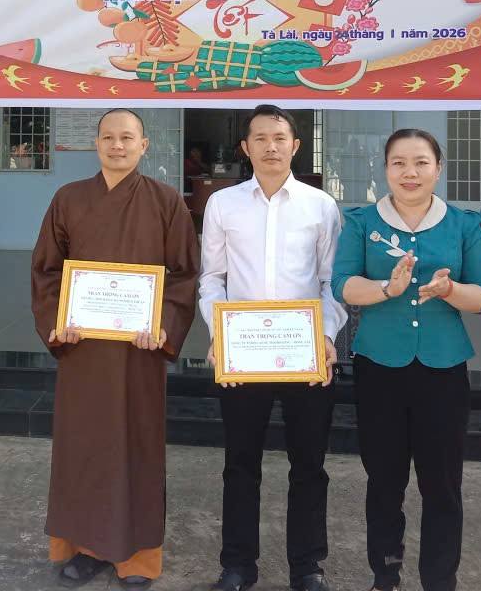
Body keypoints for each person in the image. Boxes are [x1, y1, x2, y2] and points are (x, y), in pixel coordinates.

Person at [31, 109, 200, 589]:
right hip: (84, 348)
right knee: (85, 445)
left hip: (138, 349)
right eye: (108, 137)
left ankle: (139, 556)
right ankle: (86, 548)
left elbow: (184, 273)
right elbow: (46, 269)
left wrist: (162, 325)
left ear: (144, 145)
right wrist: (59, 323)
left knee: (137, 443)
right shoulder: (68, 199)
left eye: (127, 137)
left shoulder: (166, 201)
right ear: (97, 144)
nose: (117, 145)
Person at [332, 129, 481, 591]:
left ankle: (440, 580)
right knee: (384, 480)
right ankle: (385, 575)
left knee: (442, 484)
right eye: (399, 163)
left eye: (421, 162)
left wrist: (450, 289)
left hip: (444, 368)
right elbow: (342, 285)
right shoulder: (361, 221)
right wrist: (388, 288)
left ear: (438, 168)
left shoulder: (463, 224)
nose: (410, 172)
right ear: (385, 169)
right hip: (380, 367)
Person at [199, 104, 346, 591]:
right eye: (260, 138)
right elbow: (212, 278)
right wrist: (219, 336)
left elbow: (330, 282)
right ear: (245, 147)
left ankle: (308, 567)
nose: (271, 147)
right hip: (244, 354)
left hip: (306, 354)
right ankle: (237, 566)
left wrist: (327, 336)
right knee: (240, 465)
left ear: (295, 146)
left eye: (280, 138)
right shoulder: (223, 205)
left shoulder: (320, 206)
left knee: (309, 466)